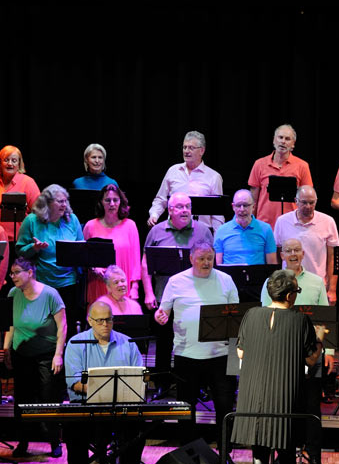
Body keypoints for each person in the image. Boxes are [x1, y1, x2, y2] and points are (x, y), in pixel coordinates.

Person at [232, 270, 321, 464]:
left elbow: (240, 352)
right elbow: (309, 360)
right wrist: (320, 340)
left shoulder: (251, 314)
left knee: (260, 454)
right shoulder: (300, 320)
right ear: (291, 295)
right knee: (286, 453)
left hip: (255, 395)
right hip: (286, 394)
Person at [154, 240, 239, 438]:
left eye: (210, 258)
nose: (206, 263)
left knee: (225, 406)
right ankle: (187, 454)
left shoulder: (226, 280)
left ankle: (224, 452)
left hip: (221, 355)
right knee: (186, 408)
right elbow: (162, 312)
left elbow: (235, 316)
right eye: (201, 258)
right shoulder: (176, 281)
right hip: (187, 354)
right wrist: (161, 316)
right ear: (191, 259)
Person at [63, 300, 146, 464]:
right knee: (73, 431)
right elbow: (74, 383)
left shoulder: (128, 343)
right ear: (89, 320)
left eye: (108, 320)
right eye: (99, 320)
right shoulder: (75, 343)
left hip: (120, 408)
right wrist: (102, 389)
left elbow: (140, 378)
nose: (104, 325)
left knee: (137, 429)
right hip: (87, 408)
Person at [263, 237, 331, 464]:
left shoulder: (315, 282)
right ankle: (283, 455)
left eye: (297, 250)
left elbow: (326, 318)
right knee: (283, 407)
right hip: (282, 352)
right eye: (288, 250)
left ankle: (313, 454)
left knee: (312, 407)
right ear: (282, 254)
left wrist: (328, 350)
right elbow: (266, 315)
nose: (293, 254)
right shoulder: (272, 282)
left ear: (303, 254)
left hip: (312, 351)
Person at [140, 193, 214, 390]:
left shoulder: (203, 231)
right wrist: (148, 292)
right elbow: (146, 264)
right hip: (165, 298)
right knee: (164, 343)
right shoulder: (156, 232)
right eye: (179, 207)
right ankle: (163, 383)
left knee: (196, 343)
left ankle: (197, 385)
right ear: (170, 210)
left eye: (188, 206)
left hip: (196, 299)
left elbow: (211, 263)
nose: (185, 210)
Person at [3, 257, 66, 458]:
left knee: (48, 398)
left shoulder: (50, 294)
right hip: (22, 353)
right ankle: (23, 441)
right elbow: (10, 324)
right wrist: (6, 350)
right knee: (23, 399)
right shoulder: (13, 294)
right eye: (11, 273)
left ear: (30, 272)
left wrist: (58, 354)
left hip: (46, 355)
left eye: (16, 272)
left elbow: (62, 326)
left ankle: (55, 441)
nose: (12, 277)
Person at [16, 184, 84, 335]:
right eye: (60, 201)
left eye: (65, 201)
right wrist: (34, 248)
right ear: (47, 203)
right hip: (42, 283)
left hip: (68, 283)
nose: (64, 205)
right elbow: (19, 250)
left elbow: (82, 248)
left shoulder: (72, 220)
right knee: (43, 327)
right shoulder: (32, 221)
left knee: (67, 326)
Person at [82, 184, 147, 305]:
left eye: (115, 200)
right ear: (101, 202)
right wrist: (94, 268)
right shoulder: (90, 226)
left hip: (123, 286)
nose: (112, 204)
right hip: (98, 285)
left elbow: (135, 260)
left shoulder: (130, 225)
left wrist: (135, 288)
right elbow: (83, 258)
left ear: (120, 202)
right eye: (107, 200)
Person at [273, 184, 339, 302]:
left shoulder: (328, 222)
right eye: (304, 202)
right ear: (296, 201)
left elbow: (333, 257)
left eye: (311, 202)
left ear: (316, 201)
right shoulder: (282, 221)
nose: (308, 206)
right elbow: (277, 255)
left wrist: (332, 289)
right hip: (288, 283)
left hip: (318, 284)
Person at [148, 131, 224, 228]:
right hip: (174, 231)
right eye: (184, 147)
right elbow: (160, 199)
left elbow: (217, 215)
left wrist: (217, 240)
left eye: (191, 148)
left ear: (202, 150)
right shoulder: (173, 171)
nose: (186, 151)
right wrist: (154, 215)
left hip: (201, 235)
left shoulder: (214, 177)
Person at [213, 188, 278, 301]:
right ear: (233, 207)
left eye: (246, 205)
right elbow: (218, 266)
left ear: (253, 206)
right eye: (238, 205)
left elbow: (271, 264)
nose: (242, 210)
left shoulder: (265, 229)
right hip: (230, 286)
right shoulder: (222, 230)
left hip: (257, 286)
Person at [248, 123, 313, 228]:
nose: (283, 141)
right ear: (274, 140)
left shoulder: (302, 166)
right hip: (264, 225)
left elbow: (307, 200)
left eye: (287, 139)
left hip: (293, 225)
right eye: (280, 137)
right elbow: (253, 199)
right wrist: (251, 223)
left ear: (293, 144)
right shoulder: (259, 164)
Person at [0, 144, 41, 240]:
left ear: (19, 164)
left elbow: (39, 212)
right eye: (6, 160)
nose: (10, 164)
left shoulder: (28, 182)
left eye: (14, 161)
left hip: (20, 240)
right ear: (0, 163)